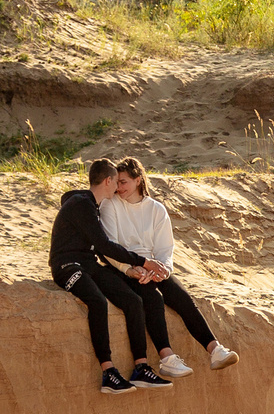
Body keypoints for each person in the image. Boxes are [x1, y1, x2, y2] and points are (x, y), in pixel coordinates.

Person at [98, 157, 237, 378]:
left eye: (123, 182)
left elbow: (165, 249)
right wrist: (133, 268)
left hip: (151, 265)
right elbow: (110, 246)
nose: (119, 187)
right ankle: (167, 358)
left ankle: (215, 349)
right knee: (153, 298)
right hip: (124, 266)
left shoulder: (156, 209)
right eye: (117, 182)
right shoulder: (110, 205)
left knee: (180, 295)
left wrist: (163, 270)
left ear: (138, 180)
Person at [49, 158, 175, 395]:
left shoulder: (91, 205)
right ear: (107, 181)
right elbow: (104, 245)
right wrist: (143, 261)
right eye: (116, 182)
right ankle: (108, 372)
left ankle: (141, 368)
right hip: (66, 266)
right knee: (97, 301)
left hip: (87, 264)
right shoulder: (81, 204)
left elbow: (99, 249)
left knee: (133, 300)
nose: (118, 187)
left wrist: (130, 270)